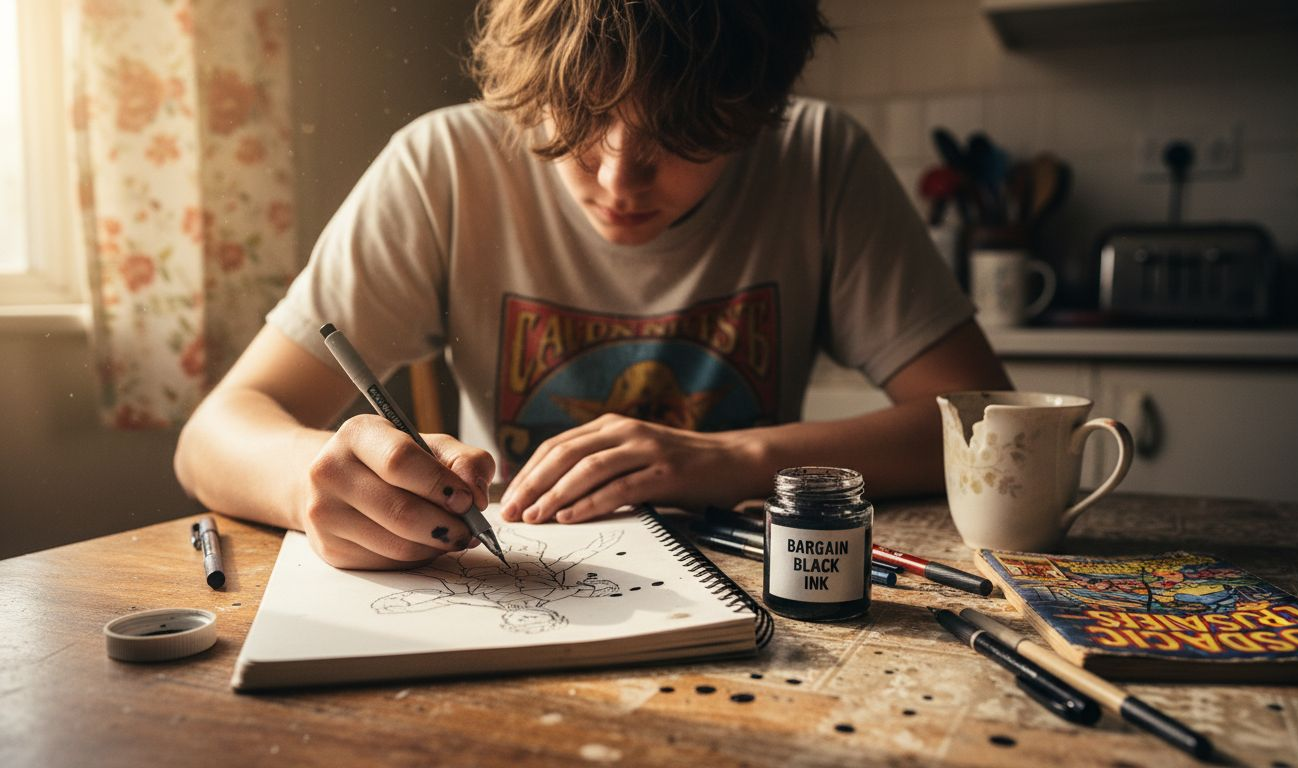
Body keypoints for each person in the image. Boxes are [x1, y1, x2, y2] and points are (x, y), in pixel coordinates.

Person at [174, 0, 1011, 570]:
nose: (618, 179)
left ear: (758, 110)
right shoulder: (447, 165)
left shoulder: (819, 159)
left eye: (680, 138)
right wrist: (314, 481)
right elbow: (213, 435)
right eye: (576, 120)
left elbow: (982, 420)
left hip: (756, 596)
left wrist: (732, 460)